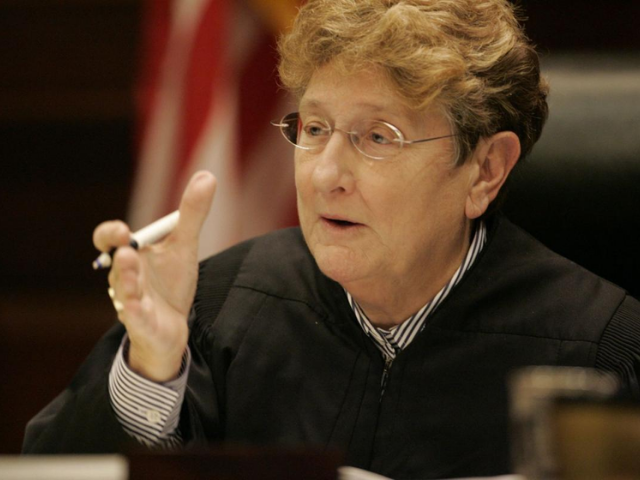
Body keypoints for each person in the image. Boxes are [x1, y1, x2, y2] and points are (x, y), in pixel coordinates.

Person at [24, 0, 640, 478]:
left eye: (378, 137)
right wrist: (152, 371)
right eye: (314, 127)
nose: (325, 175)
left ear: (485, 170)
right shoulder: (215, 309)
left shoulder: (604, 349)